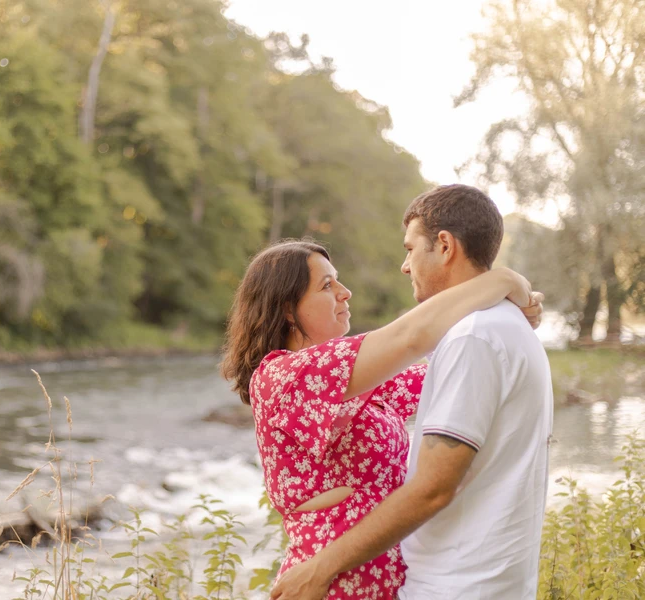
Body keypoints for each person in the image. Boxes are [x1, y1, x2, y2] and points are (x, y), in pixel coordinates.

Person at [221, 231, 543, 598]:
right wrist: (503, 280)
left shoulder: (358, 381)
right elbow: (411, 336)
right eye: (327, 286)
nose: (345, 292)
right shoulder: (282, 376)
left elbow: (452, 373)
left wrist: (504, 320)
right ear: (285, 308)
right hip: (328, 584)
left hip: (389, 584)